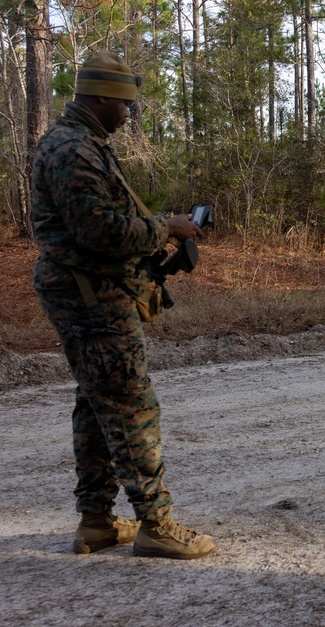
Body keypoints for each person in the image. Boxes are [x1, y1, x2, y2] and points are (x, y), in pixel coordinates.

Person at [31, 51, 216, 560]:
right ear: (101, 97)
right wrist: (167, 227)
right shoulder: (74, 150)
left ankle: (96, 522)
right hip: (91, 297)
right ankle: (156, 525)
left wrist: (161, 225)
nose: (129, 113)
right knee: (131, 404)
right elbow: (100, 232)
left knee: (97, 403)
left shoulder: (80, 143)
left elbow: (101, 218)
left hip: (91, 291)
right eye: (125, 105)